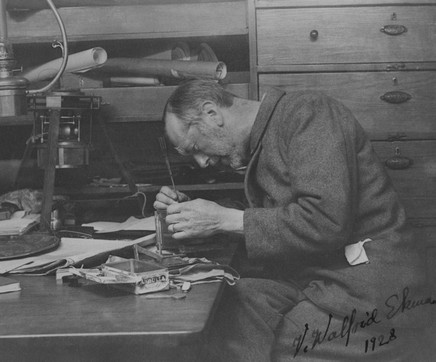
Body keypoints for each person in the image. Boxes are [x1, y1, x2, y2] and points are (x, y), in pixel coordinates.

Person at [153, 80, 433, 361]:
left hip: (372, 295)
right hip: (323, 284)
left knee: (231, 338)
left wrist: (222, 220)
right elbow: (280, 216)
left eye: (194, 148)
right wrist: (197, 217)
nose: (201, 162)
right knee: (232, 302)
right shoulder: (267, 136)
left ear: (212, 113)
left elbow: (325, 222)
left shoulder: (308, 112)